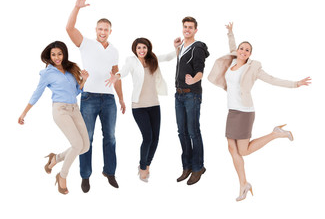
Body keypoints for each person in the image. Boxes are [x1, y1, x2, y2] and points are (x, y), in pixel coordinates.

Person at [208, 22, 311, 201]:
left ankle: (275, 134)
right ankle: (243, 184)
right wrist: (231, 33)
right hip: (232, 111)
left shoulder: (253, 67)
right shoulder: (233, 60)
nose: (243, 51)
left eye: (247, 50)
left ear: (250, 54)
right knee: (231, 149)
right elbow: (232, 47)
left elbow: (272, 79)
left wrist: (295, 84)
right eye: (241, 48)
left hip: (244, 112)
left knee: (244, 151)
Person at [66, 0, 125, 192]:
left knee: (110, 137)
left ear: (110, 31)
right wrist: (77, 7)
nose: (102, 31)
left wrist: (122, 99)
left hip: (109, 100)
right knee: (87, 138)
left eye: (106, 29)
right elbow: (69, 28)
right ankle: (85, 175)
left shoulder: (114, 50)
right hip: (89, 98)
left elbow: (116, 77)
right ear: (96, 29)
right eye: (100, 28)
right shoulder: (86, 44)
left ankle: (110, 171)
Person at [18, 41, 90, 195]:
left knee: (85, 147)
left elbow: (75, 92)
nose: (57, 57)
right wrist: (24, 112)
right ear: (49, 56)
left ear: (64, 54)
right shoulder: (47, 73)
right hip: (60, 110)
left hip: (74, 109)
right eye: (53, 54)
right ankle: (62, 176)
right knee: (77, 145)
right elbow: (37, 93)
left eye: (59, 54)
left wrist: (83, 80)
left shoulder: (70, 70)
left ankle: (55, 159)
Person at [106, 38, 177, 182]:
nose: (142, 50)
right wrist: (116, 76)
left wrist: (176, 48)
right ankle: (143, 166)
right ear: (135, 49)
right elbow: (124, 71)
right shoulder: (131, 60)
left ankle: (147, 164)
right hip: (139, 106)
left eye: (144, 47)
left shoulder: (153, 59)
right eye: (139, 48)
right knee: (148, 137)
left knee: (156, 138)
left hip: (154, 104)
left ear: (148, 48)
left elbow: (168, 58)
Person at [174, 16, 210, 185]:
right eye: (185, 27)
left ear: (196, 30)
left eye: (190, 27)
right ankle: (187, 166)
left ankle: (198, 167)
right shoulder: (182, 46)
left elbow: (200, 71)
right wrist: (176, 49)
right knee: (182, 132)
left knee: (193, 131)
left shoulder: (198, 48)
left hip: (191, 95)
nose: (187, 29)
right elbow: (182, 65)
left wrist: (193, 80)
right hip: (179, 95)